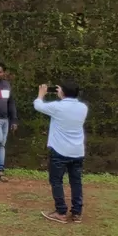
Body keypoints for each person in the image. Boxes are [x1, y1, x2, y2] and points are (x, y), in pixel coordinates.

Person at [34, 80, 88, 224]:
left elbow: (38, 105)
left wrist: (41, 94)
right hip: (77, 151)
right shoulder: (83, 107)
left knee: (56, 181)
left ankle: (61, 212)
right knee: (76, 182)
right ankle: (77, 213)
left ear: (62, 92)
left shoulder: (57, 107)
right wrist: (63, 94)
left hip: (60, 151)